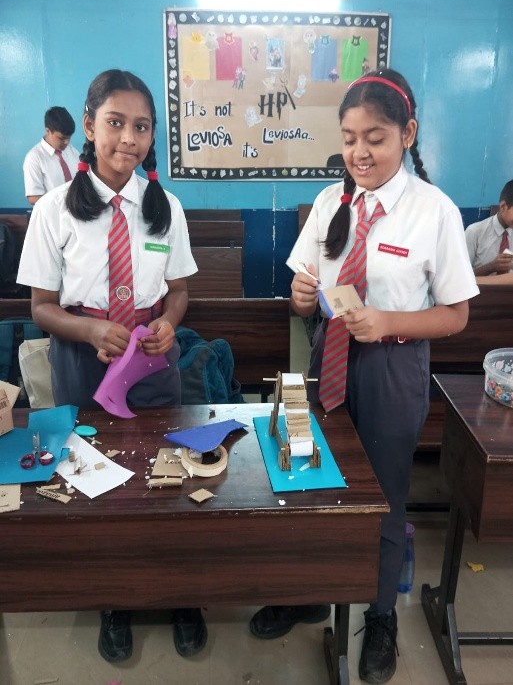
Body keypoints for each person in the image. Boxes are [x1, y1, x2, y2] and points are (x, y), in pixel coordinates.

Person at [249, 69, 479, 684]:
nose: (359, 152)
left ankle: (379, 615)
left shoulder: (432, 210)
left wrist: (389, 321)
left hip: (392, 367)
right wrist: (301, 296)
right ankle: (309, 592)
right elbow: (303, 292)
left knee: (381, 494)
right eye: (349, 138)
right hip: (326, 355)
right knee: (310, 478)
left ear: (408, 133)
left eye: (374, 138)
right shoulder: (332, 201)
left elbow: (457, 315)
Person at [17, 69, 207, 664]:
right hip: (82, 355)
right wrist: (91, 330)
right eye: (115, 123)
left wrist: (169, 322)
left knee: (168, 472)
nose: (129, 138)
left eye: (142, 127)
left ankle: (180, 592)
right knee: (94, 473)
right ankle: (114, 598)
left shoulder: (165, 206)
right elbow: (41, 307)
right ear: (90, 124)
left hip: (151, 354)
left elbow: (179, 290)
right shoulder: (55, 209)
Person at [23, 106, 80, 205]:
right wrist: (61, 204)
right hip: (52, 212)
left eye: (69, 138)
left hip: (76, 209)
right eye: (62, 138)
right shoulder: (34, 158)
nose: (67, 142)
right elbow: (33, 197)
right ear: (48, 131)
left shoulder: (72, 151)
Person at [465, 180, 513, 276]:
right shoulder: (474, 232)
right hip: (480, 285)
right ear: (503, 207)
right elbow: (460, 275)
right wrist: (491, 267)